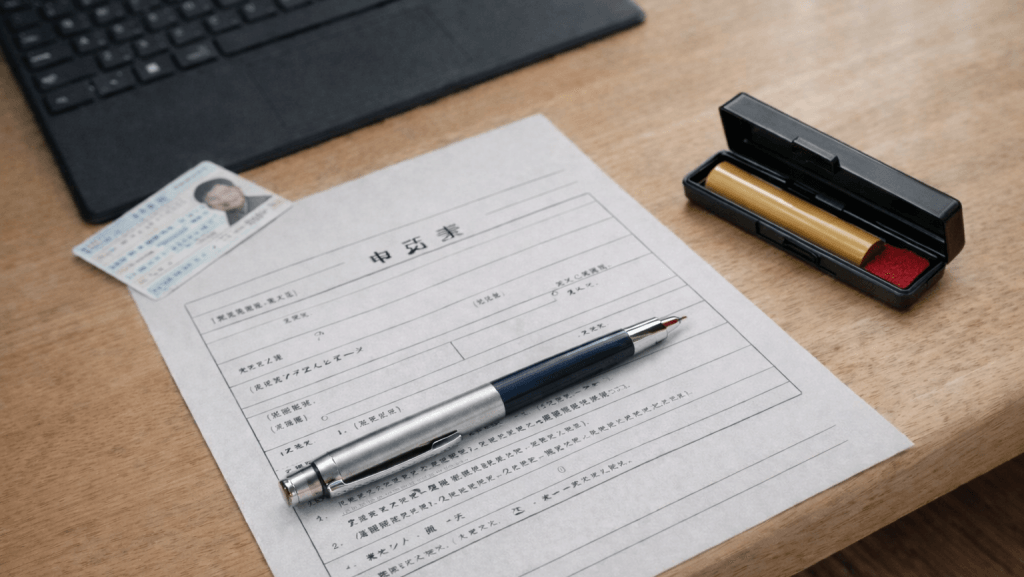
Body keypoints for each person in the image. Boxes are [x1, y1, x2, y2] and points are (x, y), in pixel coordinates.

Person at [194, 178, 269, 225]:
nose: (224, 200)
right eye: (214, 199)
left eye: (226, 192)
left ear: (238, 189)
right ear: (210, 206)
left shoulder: (266, 200)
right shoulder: (230, 219)